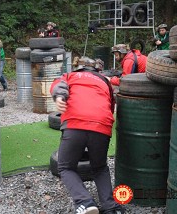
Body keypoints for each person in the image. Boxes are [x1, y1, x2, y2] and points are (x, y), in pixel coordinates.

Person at [50, 57, 124, 214]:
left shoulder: (69, 76)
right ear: (96, 69)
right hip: (102, 125)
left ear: (78, 68)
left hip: (75, 122)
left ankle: (85, 202)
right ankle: (110, 208)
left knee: (65, 167)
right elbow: (111, 104)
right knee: (100, 167)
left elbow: (59, 86)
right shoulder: (104, 80)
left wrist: (59, 97)